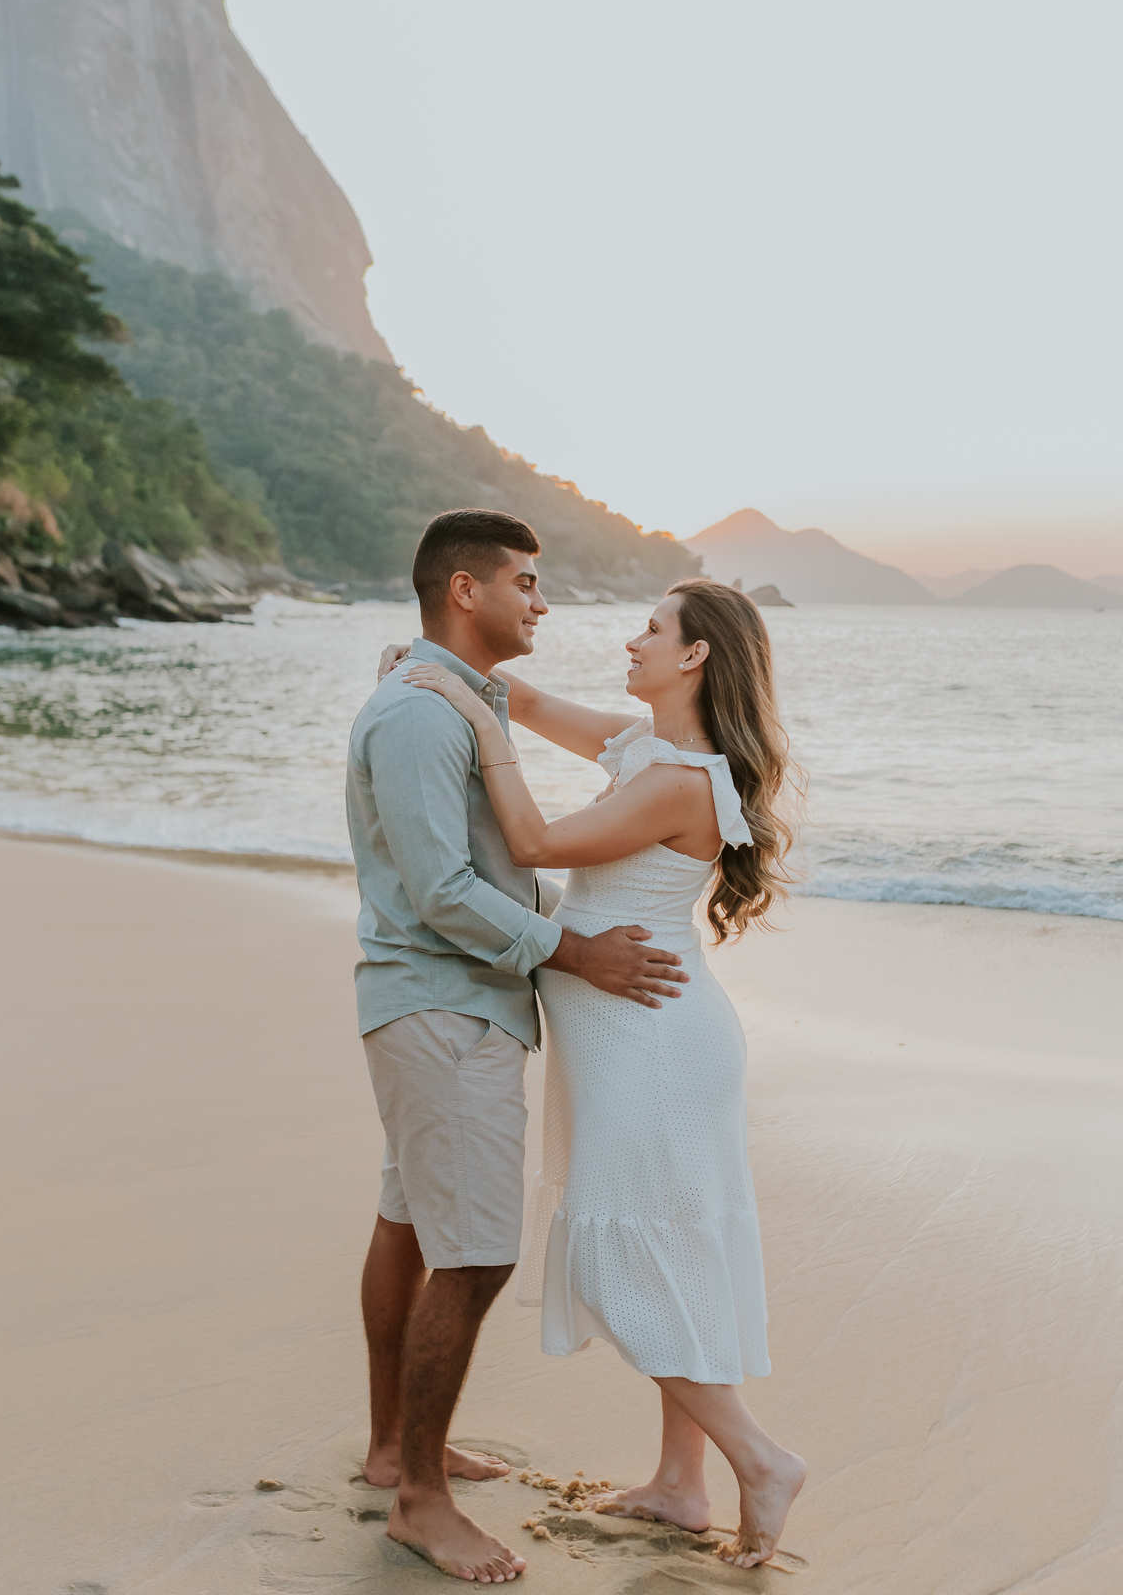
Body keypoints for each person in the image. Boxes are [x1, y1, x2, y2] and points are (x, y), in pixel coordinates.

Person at [397, 574, 806, 1569]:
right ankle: (680, 1485)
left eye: (651, 630)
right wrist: (437, 669)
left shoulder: (678, 782)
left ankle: (759, 1459)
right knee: (676, 1252)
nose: (632, 642)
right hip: (643, 1035)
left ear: (694, 655)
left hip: (651, 1044)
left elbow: (532, 840)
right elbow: (529, 700)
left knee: (618, 1261)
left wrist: (474, 722)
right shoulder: (642, 748)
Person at [346, 508, 691, 1585]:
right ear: (466, 590)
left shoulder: (460, 698)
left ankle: (396, 1448)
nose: (543, 601)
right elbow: (444, 892)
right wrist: (574, 952)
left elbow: (485, 861)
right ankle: (419, 1499)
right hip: (444, 1005)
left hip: (445, 1004)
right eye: (527, 582)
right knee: (478, 1251)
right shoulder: (421, 713)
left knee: (412, 1220)